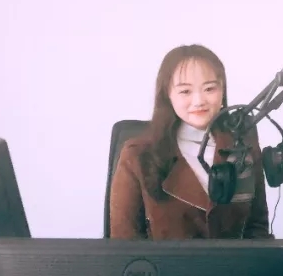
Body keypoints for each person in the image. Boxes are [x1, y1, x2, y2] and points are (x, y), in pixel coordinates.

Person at [108, 44, 272, 239]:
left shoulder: (242, 145)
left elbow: (257, 228)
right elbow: (124, 242)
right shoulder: (138, 155)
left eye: (209, 88)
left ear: (222, 91)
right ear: (167, 95)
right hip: (167, 260)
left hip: (236, 260)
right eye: (185, 91)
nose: (199, 101)